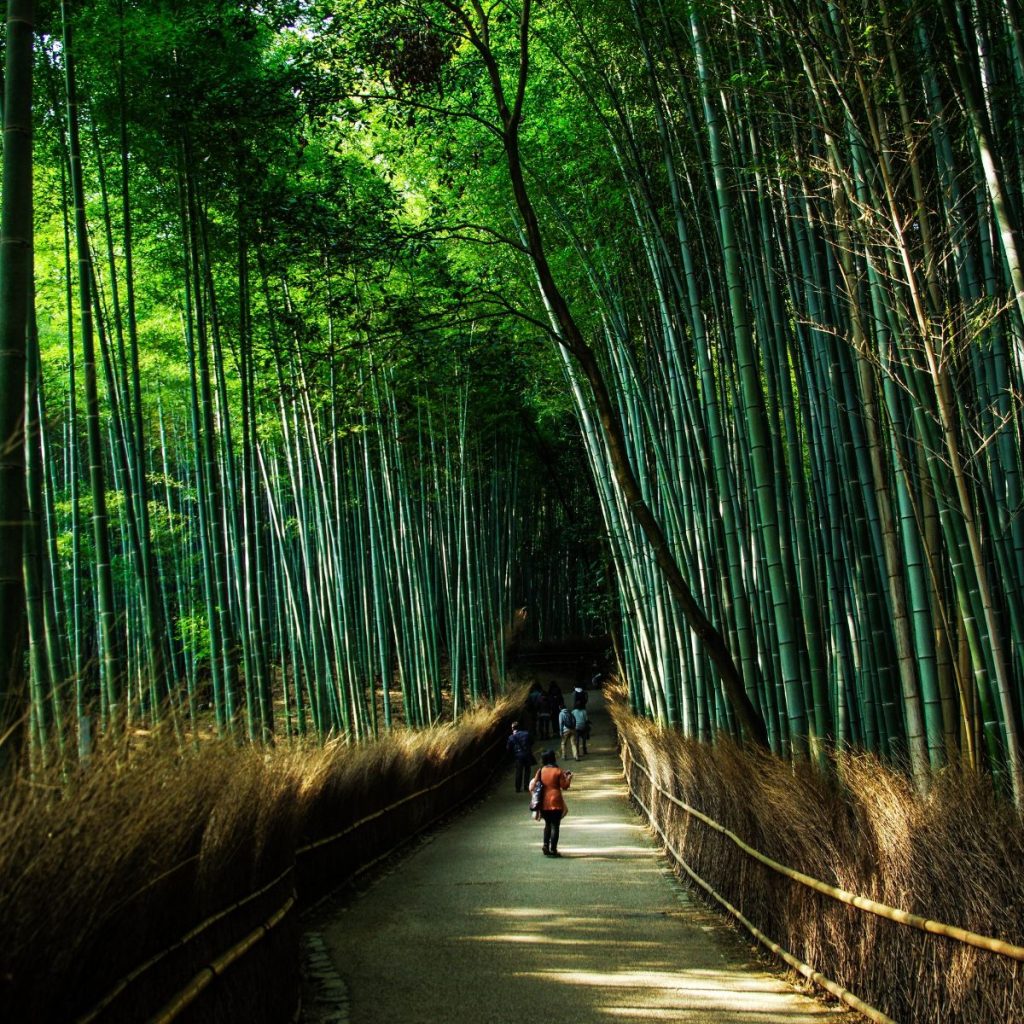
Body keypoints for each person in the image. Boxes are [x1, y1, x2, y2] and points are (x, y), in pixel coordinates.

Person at [529, 749, 572, 857]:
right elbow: (565, 786)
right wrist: (569, 778)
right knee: (555, 826)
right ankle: (553, 849)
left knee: (547, 824)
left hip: (543, 801)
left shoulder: (541, 770)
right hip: (556, 800)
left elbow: (534, 784)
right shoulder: (558, 771)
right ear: (553, 758)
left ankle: (545, 845)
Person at [506, 721, 534, 793]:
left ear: (512, 728)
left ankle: (518, 788)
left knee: (519, 771)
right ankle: (526, 786)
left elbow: (508, 748)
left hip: (518, 756)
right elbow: (531, 742)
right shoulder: (526, 734)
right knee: (527, 770)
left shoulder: (511, 737)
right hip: (527, 754)